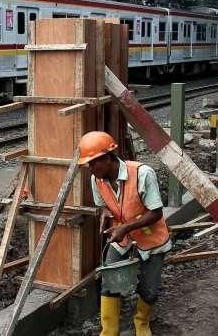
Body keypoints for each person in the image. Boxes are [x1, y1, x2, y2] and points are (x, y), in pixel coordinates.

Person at [77, 131, 171, 336]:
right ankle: (109, 330)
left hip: (150, 237)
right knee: (109, 279)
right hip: (122, 237)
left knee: (149, 289)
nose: (90, 169)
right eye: (88, 164)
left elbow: (156, 212)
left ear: (108, 157)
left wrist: (125, 227)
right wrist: (105, 213)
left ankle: (141, 322)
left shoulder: (142, 174)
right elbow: (104, 205)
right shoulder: (98, 180)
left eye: (94, 163)